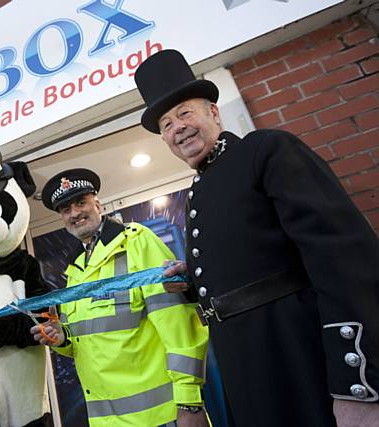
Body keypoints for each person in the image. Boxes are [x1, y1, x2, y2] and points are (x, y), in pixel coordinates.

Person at [133, 49, 379, 426]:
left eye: (184, 113)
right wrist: (191, 279)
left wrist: (356, 384)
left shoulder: (266, 150)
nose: (176, 127)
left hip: (297, 356)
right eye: (166, 124)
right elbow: (251, 264)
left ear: (213, 113)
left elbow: (343, 261)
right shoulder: (196, 191)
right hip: (242, 367)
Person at [31, 168, 210, 426]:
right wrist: (63, 339)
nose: (75, 213)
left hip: (162, 417)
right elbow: (91, 342)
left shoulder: (136, 242)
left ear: (98, 204)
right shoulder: (75, 271)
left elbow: (179, 325)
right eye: (66, 210)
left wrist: (189, 402)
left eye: (81, 202)